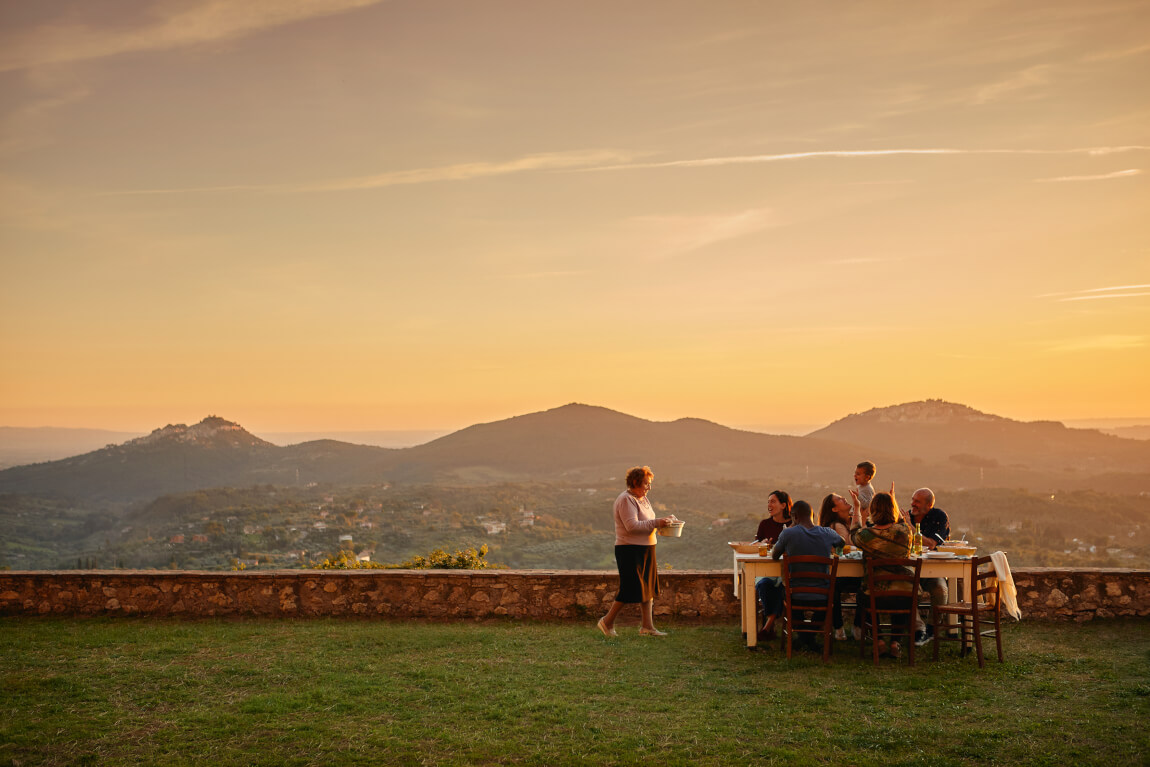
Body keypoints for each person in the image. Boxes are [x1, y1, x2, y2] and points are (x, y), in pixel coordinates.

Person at [596, 466, 675, 638]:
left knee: (648, 588)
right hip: (629, 550)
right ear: (635, 482)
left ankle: (647, 627)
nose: (649, 487)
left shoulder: (643, 499)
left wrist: (663, 524)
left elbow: (647, 522)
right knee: (629, 588)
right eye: (646, 484)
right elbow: (631, 526)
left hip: (646, 548)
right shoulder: (625, 500)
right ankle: (606, 622)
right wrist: (657, 523)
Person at [849, 489, 913, 659]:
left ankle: (879, 641)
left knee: (864, 594)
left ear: (872, 510)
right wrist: (893, 501)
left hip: (875, 595)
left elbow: (853, 534)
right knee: (899, 592)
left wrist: (856, 508)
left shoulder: (866, 535)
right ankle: (895, 642)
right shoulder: (905, 532)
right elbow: (899, 521)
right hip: (905, 594)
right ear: (894, 509)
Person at [771, 500, 843, 650]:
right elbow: (841, 542)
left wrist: (790, 529)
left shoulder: (788, 533)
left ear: (795, 517)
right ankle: (810, 637)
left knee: (784, 592)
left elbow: (774, 555)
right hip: (822, 596)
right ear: (813, 515)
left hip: (795, 594)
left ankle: (804, 637)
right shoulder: (827, 533)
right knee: (833, 594)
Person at [909, 488, 952, 645]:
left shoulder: (939, 517)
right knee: (906, 590)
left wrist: (910, 527)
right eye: (913, 499)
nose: (912, 503)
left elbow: (932, 544)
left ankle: (932, 628)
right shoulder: (907, 516)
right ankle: (918, 629)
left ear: (929, 505)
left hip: (933, 569)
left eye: (917, 501)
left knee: (941, 589)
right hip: (911, 570)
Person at [752, 490, 792, 640]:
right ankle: (770, 625)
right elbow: (757, 544)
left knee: (782, 587)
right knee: (765, 585)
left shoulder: (792, 525)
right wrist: (762, 544)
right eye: (768, 501)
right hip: (767, 569)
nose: (769, 505)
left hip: (785, 570)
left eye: (773, 501)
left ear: (783, 505)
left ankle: (768, 626)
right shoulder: (764, 524)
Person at [819, 493, 858, 640]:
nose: (844, 499)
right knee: (834, 588)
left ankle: (855, 627)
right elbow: (853, 543)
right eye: (839, 499)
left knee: (866, 585)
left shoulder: (848, 521)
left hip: (851, 570)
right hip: (841, 572)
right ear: (834, 509)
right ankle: (841, 628)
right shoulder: (836, 526)